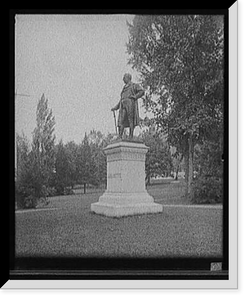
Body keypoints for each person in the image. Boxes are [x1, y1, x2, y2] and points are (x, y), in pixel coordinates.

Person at [111, 73, 144, 139]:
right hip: (123, 105)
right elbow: (121, 100)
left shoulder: (134, 85)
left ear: (128, 78)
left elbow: (142, 91)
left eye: (124, 77)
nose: (123, 79)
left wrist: (135, 96)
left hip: (130, 104)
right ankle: (120, 136)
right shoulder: (124, 89)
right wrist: (116, 107)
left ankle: (130, 136)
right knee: (121, 121)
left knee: (130, 120)